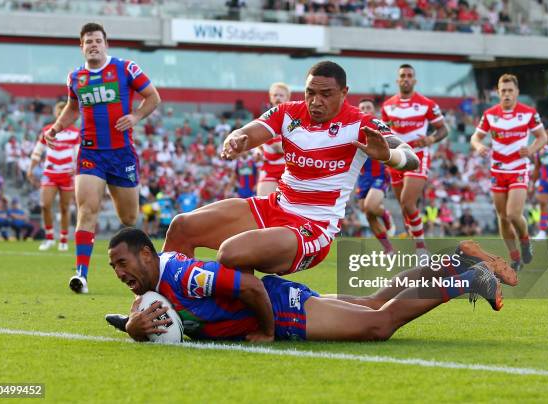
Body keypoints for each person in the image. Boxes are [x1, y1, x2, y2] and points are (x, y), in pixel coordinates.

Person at [163, 61, 419, 276]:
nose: (316, 101)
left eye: (326, 94)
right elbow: (249, 132)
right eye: (310, 93)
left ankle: (242, 317)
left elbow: (411, 158)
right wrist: (237, 138)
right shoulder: (289, 113)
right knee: (181, 227)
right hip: (276, 206)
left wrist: (388, 156)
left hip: (314, 226)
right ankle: (161, 306)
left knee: (232, 252)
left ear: (344, 92)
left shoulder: (361, 123)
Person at [106, 228, 509, 342]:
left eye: (122, 263)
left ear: (146, 254)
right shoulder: (153, 283)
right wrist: (128, 324)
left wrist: (265, 331)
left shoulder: (181, 274)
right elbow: (148, 310)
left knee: (379, 324)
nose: (120, 273)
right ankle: (455, 258)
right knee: (373, 303)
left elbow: (251, 290)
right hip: (282, 303)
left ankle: (469, 279)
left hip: (282, 310)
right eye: (113, 268)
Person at [44, 22, 161, 293]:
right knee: (86, 210)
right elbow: (73, 107)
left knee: (129, 218)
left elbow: (153, 97)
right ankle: (81, 275)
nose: (94, 45)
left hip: (122, 154)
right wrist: (57, 128)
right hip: (90, 153)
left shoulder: (126, 68)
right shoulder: (75, 78)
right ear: (82, 46)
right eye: (89, 41)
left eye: (98, 40)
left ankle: (152, 265)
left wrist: (135, 116)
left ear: (105, 43)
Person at [471, 74, 547, 271]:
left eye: (510, 90)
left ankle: (525, 241)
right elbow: (475, 138)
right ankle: (514, 258)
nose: (506, 94)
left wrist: (530, 149)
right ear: (498, 92)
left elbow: (542, 137)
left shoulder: (528, 113)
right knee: (503, 217)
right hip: (498, 170)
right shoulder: (489, 114)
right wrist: (479, 146)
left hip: (519, 169)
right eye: (503, 90)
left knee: (513, 214)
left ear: (517, 93)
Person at [380, 64, 448, 256]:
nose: (406, 79)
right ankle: (413, 242)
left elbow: (443, 129)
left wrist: (431, 138)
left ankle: (421, 248)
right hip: (396, 157)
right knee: (404, 207)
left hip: (418, 155)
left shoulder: (427, 104)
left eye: (409, 75)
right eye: (402, 76)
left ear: (415, 80)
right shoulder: (388, 106)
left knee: (408, 202)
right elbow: (385, 132)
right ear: (397, 80)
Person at [28, 101, 80, 251]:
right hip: (50, 173)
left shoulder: (75, 133)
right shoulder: (47, 130)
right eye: (58, 111)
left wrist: (76, 168)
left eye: (63, 110)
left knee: (65, 208)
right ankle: (49, 237)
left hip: (67, 175)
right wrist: (31, 169)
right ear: (55, 113)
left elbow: (79, 154)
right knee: (45, 205)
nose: (60, 113)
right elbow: (37, 152)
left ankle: (63, 239)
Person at [356, 98, 394, 253]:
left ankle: (385, 214)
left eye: (368, 107)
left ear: (374, 111)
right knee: (368, 214)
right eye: (362, 107)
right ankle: (388, 249)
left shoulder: (380, 127)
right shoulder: (353, 128)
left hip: (379, 174)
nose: (365, 109)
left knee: (371, 207)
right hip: (362, 177)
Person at [256, 82, 291, 196]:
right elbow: (258, 142)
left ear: (288, 98)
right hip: (269, 170)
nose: (278, 98)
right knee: (262, 207)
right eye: (275, 95)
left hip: (290, 171)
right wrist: (258, 150)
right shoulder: (264, 119)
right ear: (270, 98)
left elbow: (278, 147)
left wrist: (281, 147)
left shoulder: (294, 120)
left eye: (281, 95)